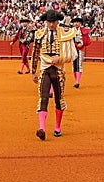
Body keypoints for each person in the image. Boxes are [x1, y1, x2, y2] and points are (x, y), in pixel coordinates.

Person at [30, 9, 78, 140]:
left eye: (53, 22)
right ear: (46, 22)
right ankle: (42, 128)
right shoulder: (40, 34)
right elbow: (35, 53)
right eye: (49, 22)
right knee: (43, 97)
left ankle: (57, 127)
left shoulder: (65, 34)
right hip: (45, 69)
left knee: (58, 99)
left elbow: (72, 55)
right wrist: (33, 71)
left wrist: (60, 59)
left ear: (57, 22)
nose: (51, 24)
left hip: (58, 70)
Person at [72, 17, 91, 88]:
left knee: (79, 64)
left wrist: (82, 44)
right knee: (74, 65)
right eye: (75, 22)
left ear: (80, 23)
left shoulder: (84, 31)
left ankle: (77, 81)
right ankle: (76, 80)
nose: (76, 23)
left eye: (78, 22)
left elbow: (87, 41)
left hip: (80, 48)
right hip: (73, 48)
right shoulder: (71, 30)